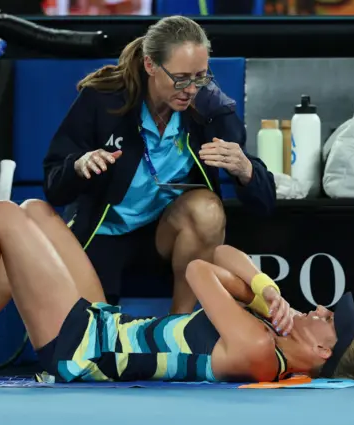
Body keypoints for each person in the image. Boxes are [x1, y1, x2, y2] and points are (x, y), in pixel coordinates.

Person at [0, 199, 354, 385]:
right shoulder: (267, 335)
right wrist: (265, 287)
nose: (322, 309)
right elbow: (226, 261)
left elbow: (202, 267)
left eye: (329, 318)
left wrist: (259, 301)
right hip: (107, 326)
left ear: (323, 351)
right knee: (36, 214)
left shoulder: (257, 351)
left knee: (0, 218)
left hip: (86, 352)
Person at [43, 16, 276, 315]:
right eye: (180, 78)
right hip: (104, 232)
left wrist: (247, 171)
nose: (191, 89)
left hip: (169, 235)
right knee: (93, 345)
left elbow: (265, 204)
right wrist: (78, 166)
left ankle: (180, 328)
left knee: (206, 208)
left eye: (200, 76)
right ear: (151, 66)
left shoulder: (209, 108)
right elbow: (53, 184)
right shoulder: (103, 100)